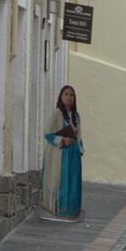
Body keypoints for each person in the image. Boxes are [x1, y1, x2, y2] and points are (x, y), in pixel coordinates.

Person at [40, 85, 84, 219]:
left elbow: (80, 135)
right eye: (66, 94)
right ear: (61, 96)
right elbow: (48, 134)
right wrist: (62, 140)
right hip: (61, 155)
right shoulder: (57, 114)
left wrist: (80, 148)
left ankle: (73, 209)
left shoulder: (76, 116)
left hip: (74, 154)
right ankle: (61, 209)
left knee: (74, 181)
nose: (69, 97)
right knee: (63, 181)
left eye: (71, 95)